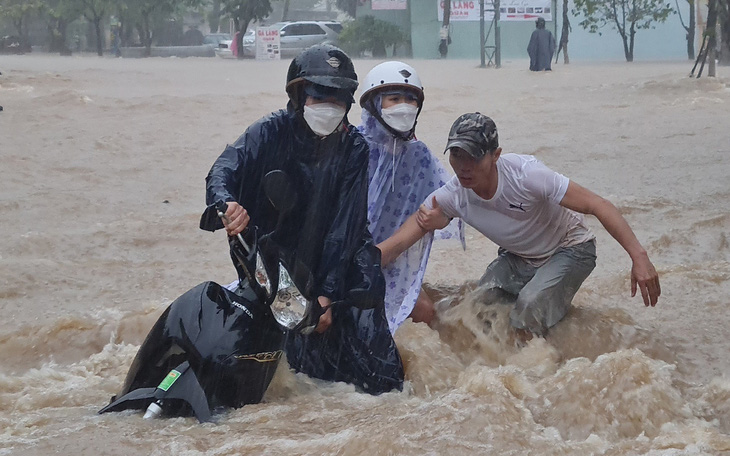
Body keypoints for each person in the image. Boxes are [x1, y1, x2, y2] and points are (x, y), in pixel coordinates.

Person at [199, 44, 403, 394]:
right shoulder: (268, 132)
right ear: (297, 96)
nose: (329, 108)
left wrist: (326, 295)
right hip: (279, 255)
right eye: (319, 97)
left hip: (342, 262)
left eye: (338, 100)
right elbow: (223, 171)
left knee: (379, 377)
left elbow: (346, 226)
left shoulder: (354, 148)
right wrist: (227, 205)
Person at [378, 112, 661, 340]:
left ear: (495, 155)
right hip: (519, 257)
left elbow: (598, 205)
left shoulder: (528, 176)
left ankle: (538, 367)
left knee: (527, 307)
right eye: (456, 155)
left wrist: (639, 256)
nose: (463, 167)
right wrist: (366, 262)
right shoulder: (453, 195)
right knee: (477, 307)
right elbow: (407, 234)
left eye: (473, 157)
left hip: (570, 248)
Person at [356, 61, 463, 333]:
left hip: (389, 259)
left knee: (425, 313)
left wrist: (441, 217)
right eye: (394, 99)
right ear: (375, 104)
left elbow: (445, 205)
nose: (404, 106)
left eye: (410, 99)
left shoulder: (420, 157)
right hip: (342, 261)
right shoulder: (349, 149)